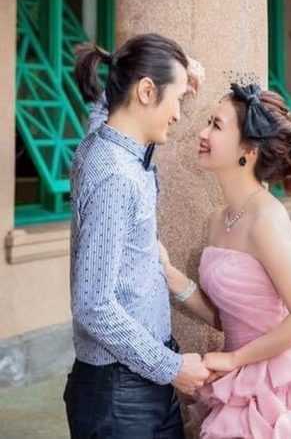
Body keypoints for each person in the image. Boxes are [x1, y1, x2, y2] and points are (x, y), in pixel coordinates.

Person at [161, 82, 291, 438]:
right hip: (236, 379)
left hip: (276, 382)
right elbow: (227, 315)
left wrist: (234, 359)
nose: (202, 132)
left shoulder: (266, 219)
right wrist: (170, 276)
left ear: (249, 149)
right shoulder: (218, 219)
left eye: (216, 125)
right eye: (208, 122)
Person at [63, 33, 210, 439]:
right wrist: (173, 368)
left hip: (134, 387)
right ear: (146, 91)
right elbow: (93, 305)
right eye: (178, 99)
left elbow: (108, 113)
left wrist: (181, 76)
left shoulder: (106, 140)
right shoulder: (115, 174)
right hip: (120, 396)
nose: (180, 113)